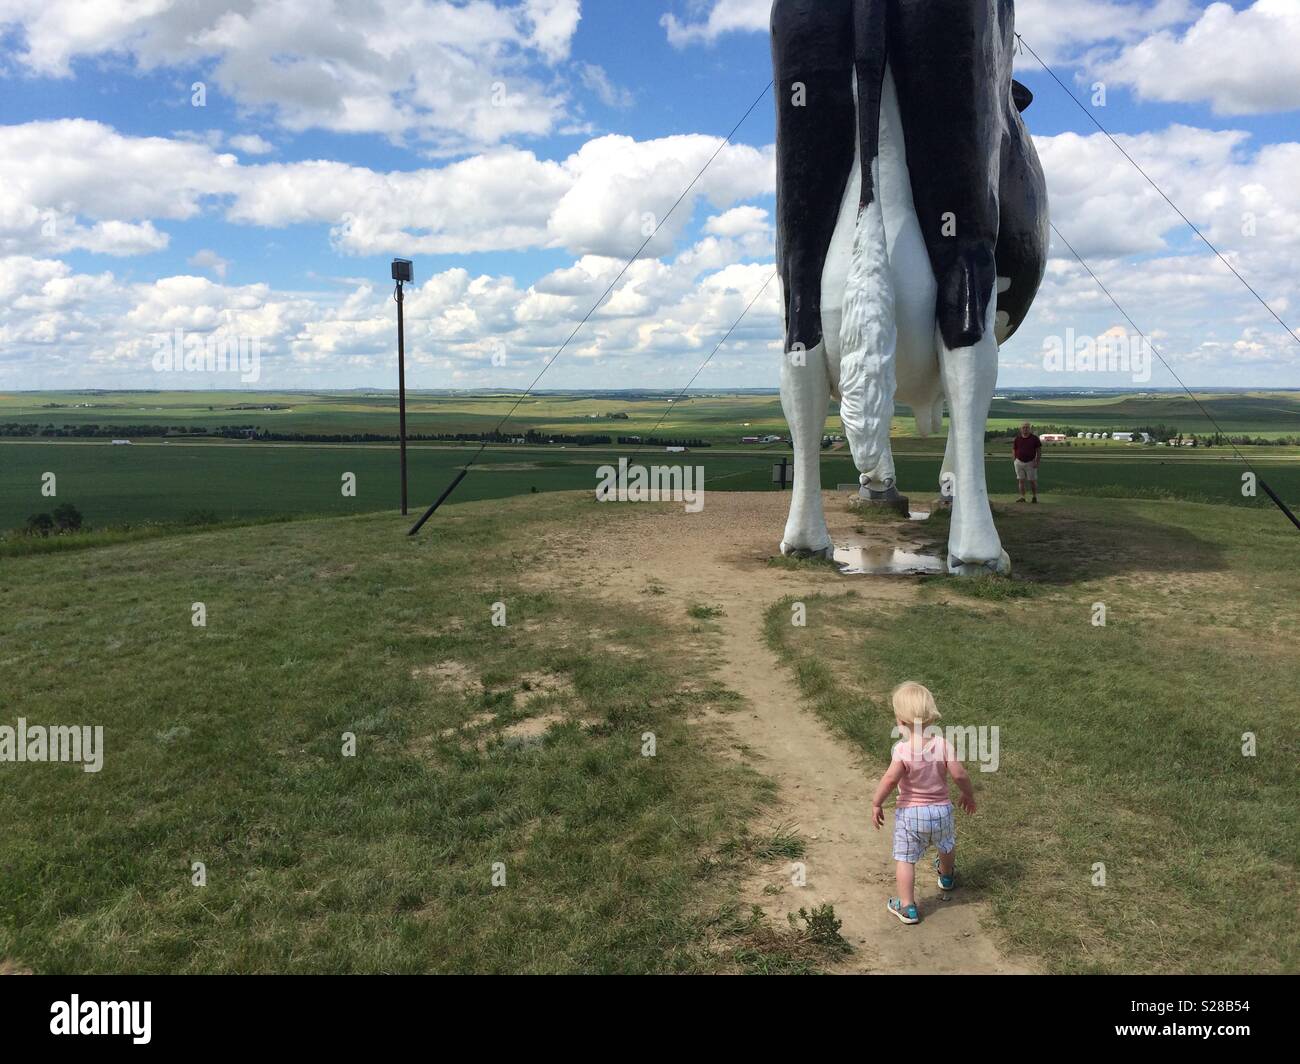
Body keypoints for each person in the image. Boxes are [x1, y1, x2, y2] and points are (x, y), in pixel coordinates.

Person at [871, 682, 976, 925]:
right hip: (941, 810)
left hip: (911, 813)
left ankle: (907, 906)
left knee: (906, 858)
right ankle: (947, 877)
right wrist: (968, 794)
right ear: (930, 716)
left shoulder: (902, 750)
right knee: (946, 844)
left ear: (900, 721)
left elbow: (889, 780)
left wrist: (877, 802)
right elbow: (959, 775)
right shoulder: (943, 745)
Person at [1013, 421, 1041, 503]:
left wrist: (1037, 461)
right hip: (1019, 462)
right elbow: (1014, 449)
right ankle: (1022, 497)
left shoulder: (1034, 438)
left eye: (1027, 427)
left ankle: (1034, 497)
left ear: (1030, 429)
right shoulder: (1017, 438)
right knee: (1021, 480)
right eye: (1023, 427)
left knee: (1032, 481)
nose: (1025, 429)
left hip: (1031, 462)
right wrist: (1014, 459)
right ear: (1021, 429)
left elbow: (1039, 450)